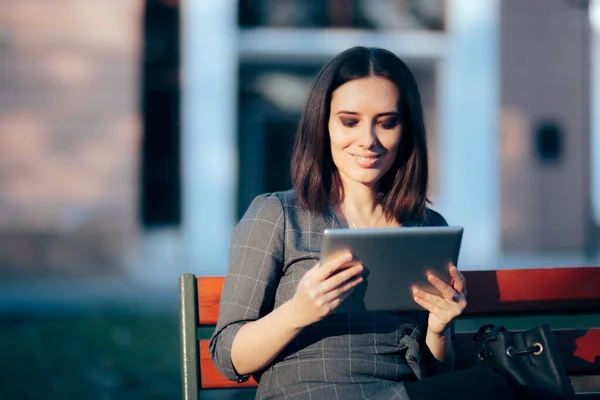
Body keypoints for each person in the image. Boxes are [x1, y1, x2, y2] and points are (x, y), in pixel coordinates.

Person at [210, 47, 517, 400]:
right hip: (310, 394)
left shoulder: (425, 228)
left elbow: (436, 373)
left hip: (399, 394)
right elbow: (227, 356)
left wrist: (439, 328)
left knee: (487, 388)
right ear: (323, 125)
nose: (368, 140)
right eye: (349, 121)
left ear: (406, 130)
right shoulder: (278, 215)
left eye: (386, 123)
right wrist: (297, 311)